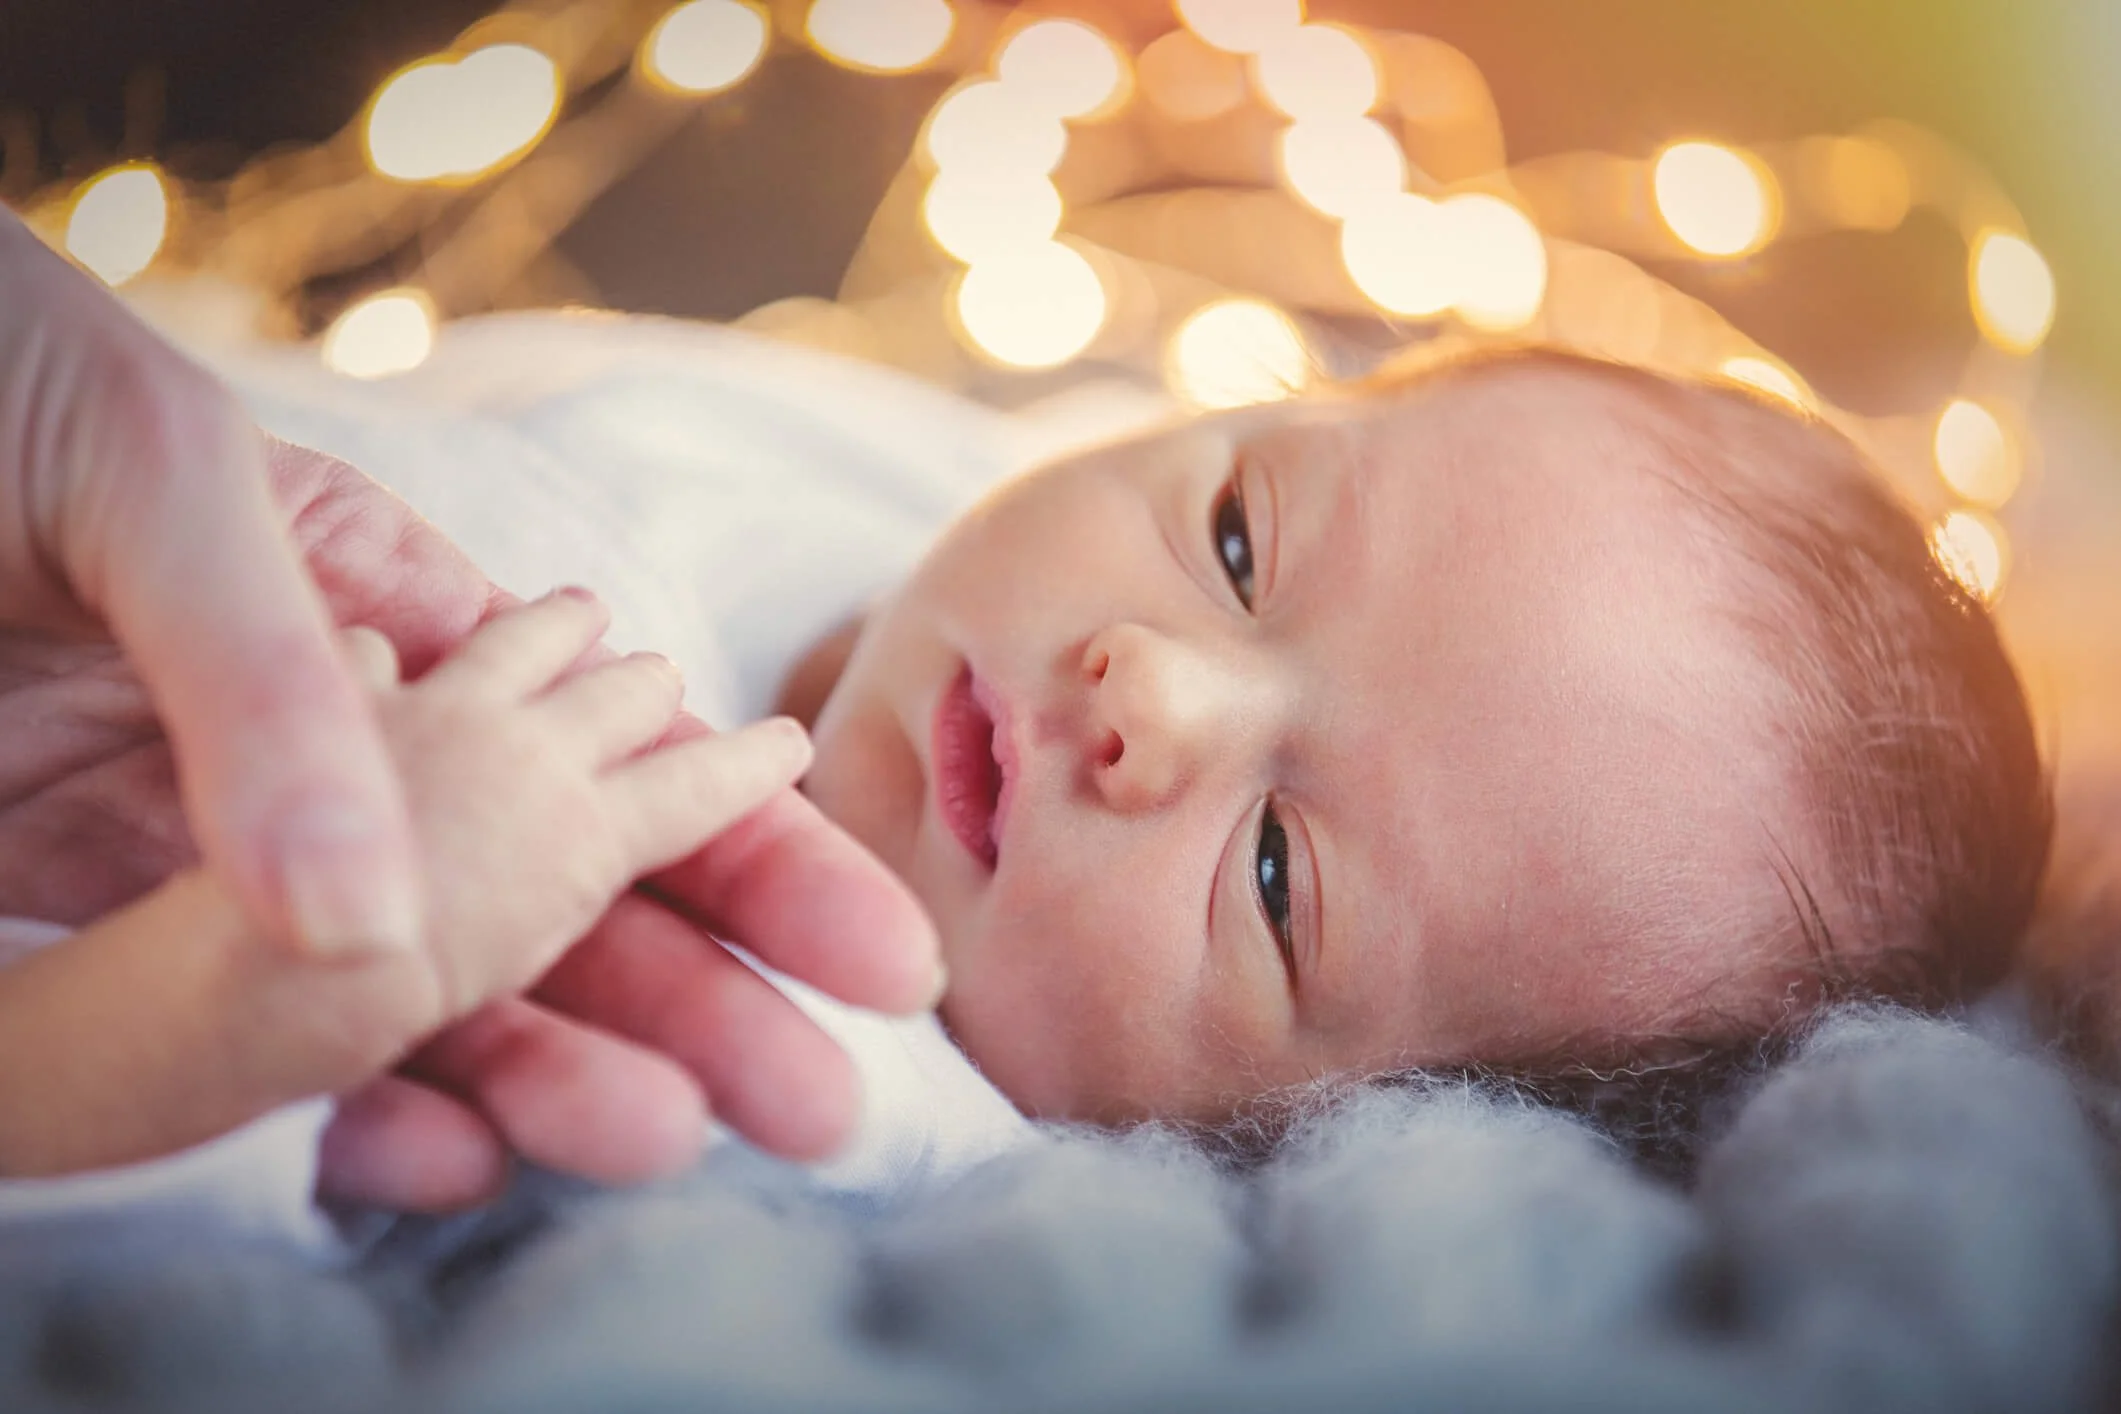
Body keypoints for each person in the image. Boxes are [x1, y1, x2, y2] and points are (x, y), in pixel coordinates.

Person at [0, 254, 2049, 1223]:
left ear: (1298, 1147)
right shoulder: (910, 489)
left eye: (1275, 873)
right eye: (1237, 537)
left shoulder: (818, 1095)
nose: (1149, 690)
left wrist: (260, 986)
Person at [0, 210, 945, 1212]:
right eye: (1137, 517)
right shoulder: (845, 441)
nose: (1112, 688)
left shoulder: (902, 1112)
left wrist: (266, 985)